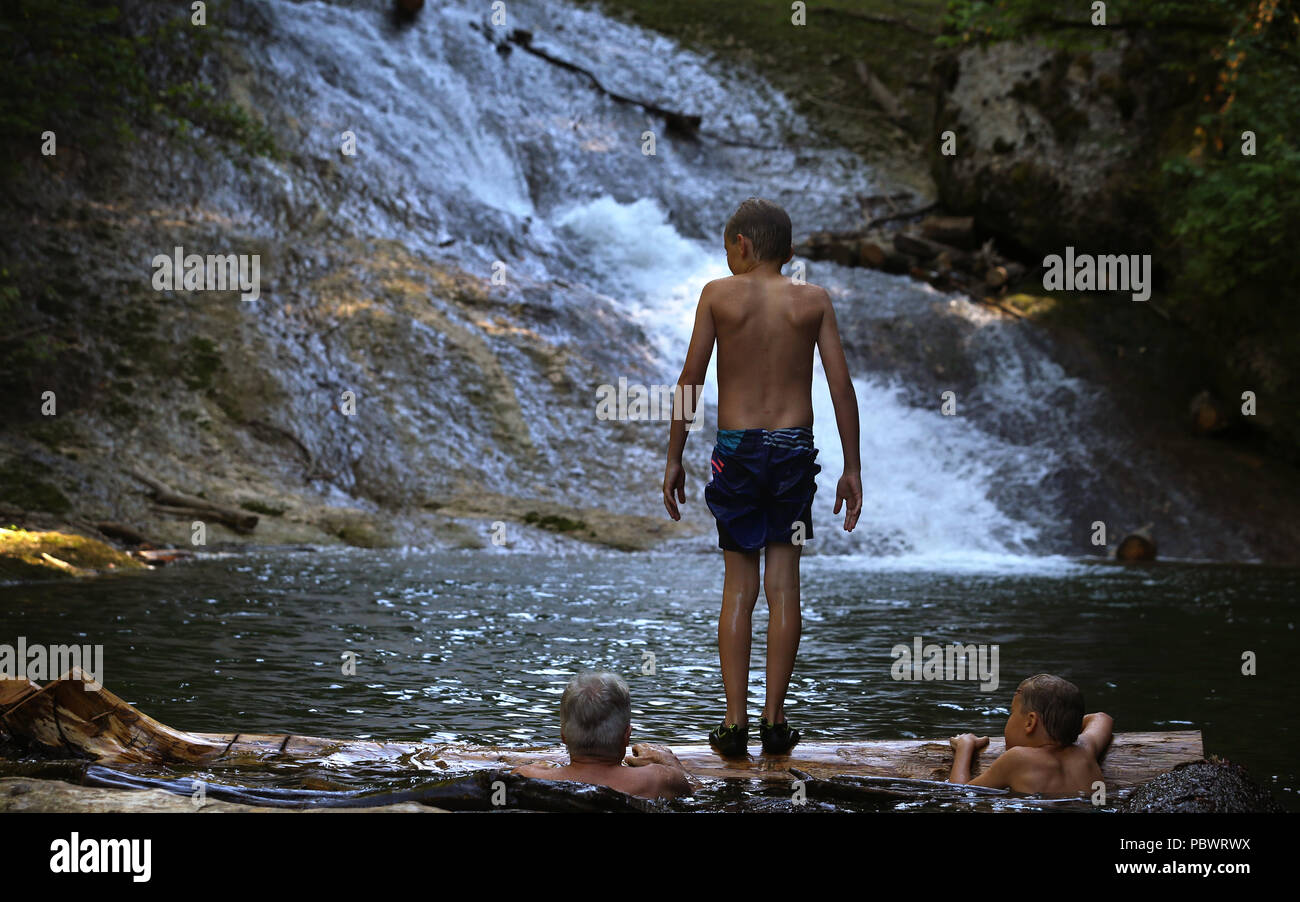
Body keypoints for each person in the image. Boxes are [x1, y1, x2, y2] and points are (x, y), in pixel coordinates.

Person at [662, 197, 862, 758]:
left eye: (728, 247)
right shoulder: (814, 300)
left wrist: (674, 456)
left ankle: (734, 724)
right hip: (795, 450)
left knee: (739, 586)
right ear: (790, 251)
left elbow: (690, 382)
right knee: (785, 585)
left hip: (738, 452)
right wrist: (852, 467)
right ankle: (776, 722)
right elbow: (840, 388)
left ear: (741, 246)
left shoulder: (718, 296)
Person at [512, 672, 694, 800]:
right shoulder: (659, 779)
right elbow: (698, 795)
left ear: (564, 737)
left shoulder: (527, 777)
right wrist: (673, 764)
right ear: (626, 736)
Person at [948, 673, 1114, 795]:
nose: (1010, 719)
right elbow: (1102, 718)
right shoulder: (1085, 749)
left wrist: (965, 746)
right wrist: (1065, 724)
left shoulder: (1018, 758)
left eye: (1011, 713)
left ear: (1030, 722)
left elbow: (960, 794)